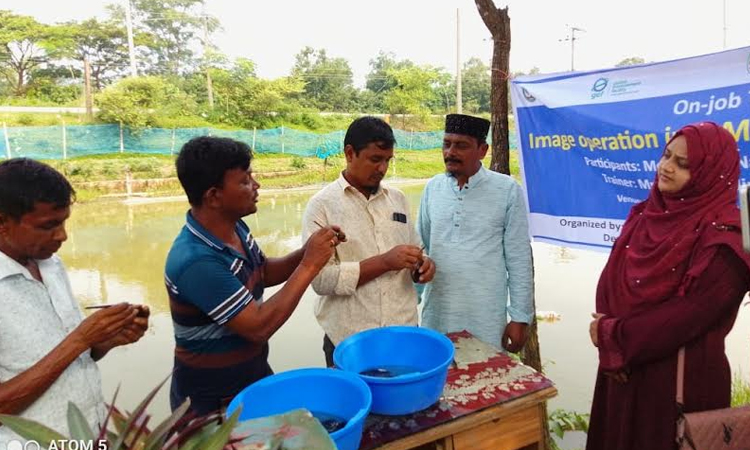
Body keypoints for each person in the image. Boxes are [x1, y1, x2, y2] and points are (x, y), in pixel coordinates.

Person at [586, 122, 750, 450]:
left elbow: (687, 316)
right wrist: (611, 343)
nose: (667, 167)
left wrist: (613, 337)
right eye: (666, 156)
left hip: (675, 385)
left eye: (684, 164)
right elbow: (612, 280)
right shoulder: (645, 215)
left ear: (712, 173)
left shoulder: (725, 241)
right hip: (621, 371)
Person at [165, 136, 342, 415]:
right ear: (213, 196)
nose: (256, 186)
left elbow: (264, 272)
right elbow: (258, 326)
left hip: (250, 379)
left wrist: (307, 250)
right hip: (211, 403)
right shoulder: (196, 261)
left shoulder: (235, 228)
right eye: (245, 181)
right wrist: (309, 265)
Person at [0, 158, 149, 440]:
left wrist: (107, 338)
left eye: (64, 222)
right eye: (48, 225)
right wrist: (81, 339)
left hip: (90, 434)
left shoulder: (51, 266)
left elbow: (77, 355)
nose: (63, 235)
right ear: (2, 223)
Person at [302, 116, 436, 366]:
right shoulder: (322, 206)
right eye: (375, 159)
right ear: (350, 153)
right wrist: (384, 262)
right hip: (349, 341)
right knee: (356, 404)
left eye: (387, 160)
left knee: (406, 403)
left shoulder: (398, 199)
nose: (382, 169)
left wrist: (422, 265)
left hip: (402, 333)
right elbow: (320, 280)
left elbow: (416, 251)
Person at [416, 113, 533, 351]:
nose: (450, 152)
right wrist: (411, 301)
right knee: (439, 380)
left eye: (461, 146)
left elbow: (519, 259)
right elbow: (421, 248)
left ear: (483, 150)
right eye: (446, 144)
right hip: (437, 313)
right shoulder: (433, 188)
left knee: (488, 381)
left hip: (486, 319)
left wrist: (520, 317)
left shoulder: (507, 190)